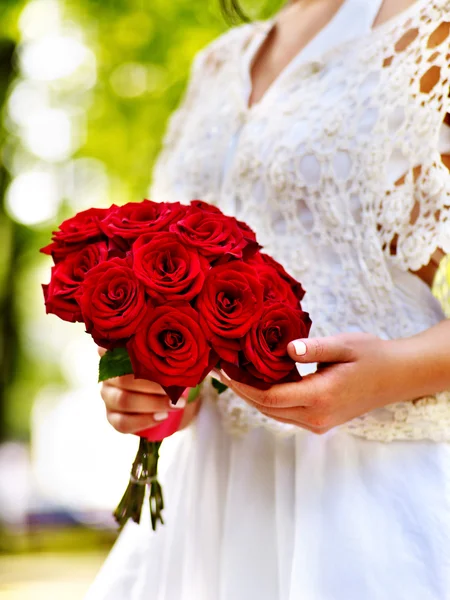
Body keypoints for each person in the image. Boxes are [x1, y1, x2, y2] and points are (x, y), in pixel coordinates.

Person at [86, 0, 450, 598]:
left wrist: (393, 373)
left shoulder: (430, 26)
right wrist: (163, 388)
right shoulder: (218, 65)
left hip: (372, 488)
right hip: (213, 500)